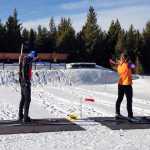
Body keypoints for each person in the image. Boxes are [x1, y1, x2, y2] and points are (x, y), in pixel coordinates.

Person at [109, 53, 136, 121]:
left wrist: (114, 62)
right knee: (129, 100)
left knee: (120, 98)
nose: (123, 58)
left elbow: (115, 65)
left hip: (120, 84)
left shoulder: (119, 65)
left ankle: (117, 113)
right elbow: (133, 66)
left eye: (122, 57)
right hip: (127, 84)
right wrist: (129, 62)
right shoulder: (127, 64)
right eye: (124, 57)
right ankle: (130, 115)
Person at [18, 51, 37, 122]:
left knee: (23, 98)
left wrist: (19, 62)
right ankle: (25, 118)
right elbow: (23, 70)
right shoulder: (27, 60)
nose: (35, 59)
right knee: (27, 99)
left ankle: (20, 115)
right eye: (35, 57)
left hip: (22, 81)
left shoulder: (24, 59)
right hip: (25, 82)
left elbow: (20, 69)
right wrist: (26, 81)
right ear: (33, 56)